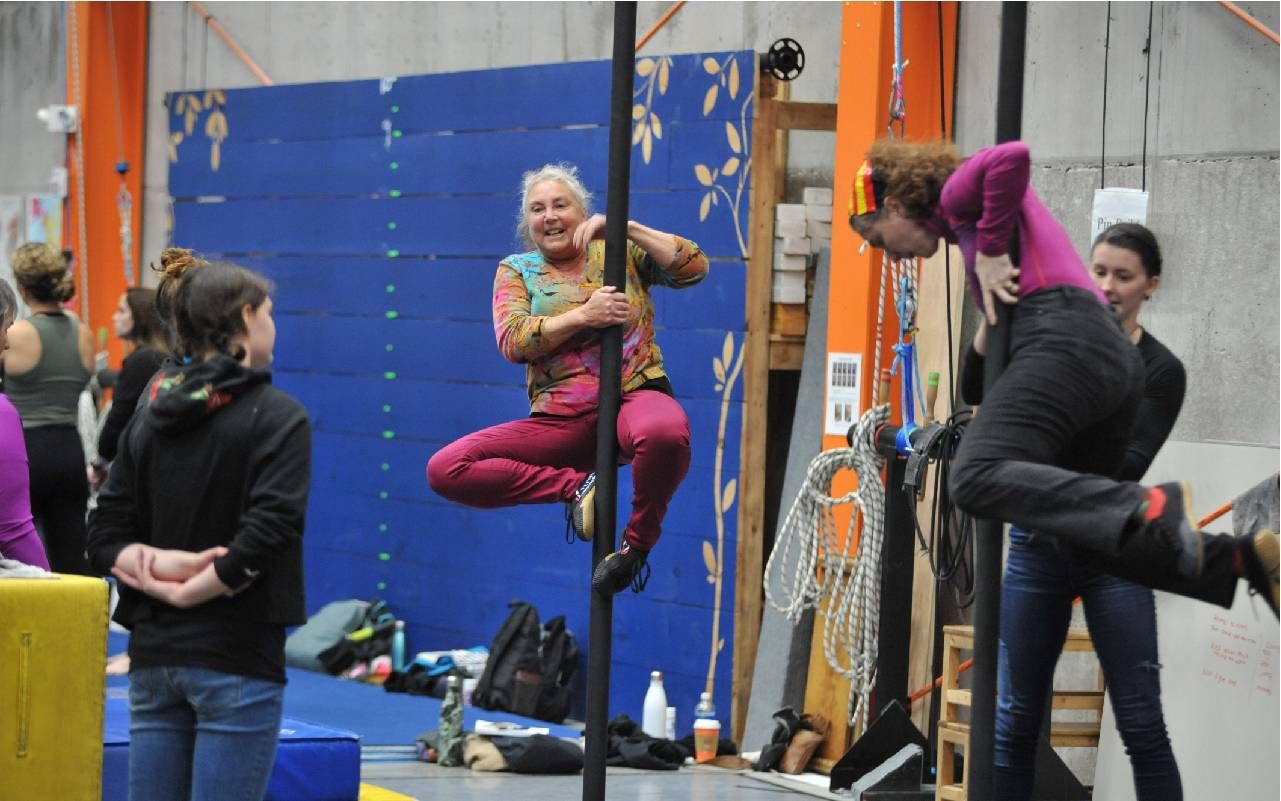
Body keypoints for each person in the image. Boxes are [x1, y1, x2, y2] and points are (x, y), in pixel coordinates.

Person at [846, 139, 1278, 615]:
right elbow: (977, 385)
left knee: (970, 477)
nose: (891, 257)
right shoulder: (969, 226)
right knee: (1082, 536)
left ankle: (1154, 504)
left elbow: (1011, 157)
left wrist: (989, 251)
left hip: (1065, 340)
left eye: (882, 240)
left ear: (894, 205)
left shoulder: (956, 195)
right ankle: (1241, 560)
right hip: (1108, 359)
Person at [962, 224, 1187, 800]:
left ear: (1150, 286)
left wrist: (1028, 452)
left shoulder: (1159, 369)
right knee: (1015, 720)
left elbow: (1124, 466)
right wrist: (993, 318)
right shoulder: (1052, 343)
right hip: (1039, 546)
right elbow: (973, 387)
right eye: (1099, 271)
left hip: (1113, 549)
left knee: (1141, 722)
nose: (1108, 286)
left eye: (1124, 276)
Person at [86, 248, 310, 801]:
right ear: (242, 323)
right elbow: (269, 530)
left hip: (156, 653)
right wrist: (198, 588)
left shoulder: (151, 415)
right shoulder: (279, 416)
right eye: (268, 314)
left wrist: (154, 568)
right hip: (234, 651)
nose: (273, 325)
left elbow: (104, 530)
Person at [427, 163, 709, 596]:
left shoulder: (616, 252)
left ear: (584, 212)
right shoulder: (517, 269)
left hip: (634, 394)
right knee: (447, 468)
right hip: (562, 420)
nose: (550, 216)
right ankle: (578, 488)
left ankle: (636, 547)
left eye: (561, 204)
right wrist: (583, 316)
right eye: (537, 209)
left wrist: (625, 228)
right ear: (528, 224)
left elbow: (694, 267)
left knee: (665, 432)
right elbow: (514, 340)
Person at [3, 242, 93, 574]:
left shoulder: (17, 333)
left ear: (23, 288)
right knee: (71, 554)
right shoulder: (82, 333)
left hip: (26, 451)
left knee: (19, 555)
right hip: (69, 451)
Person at [91, 286, 170, 487]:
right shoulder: (158, 355)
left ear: (140, 316)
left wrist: (100, 462)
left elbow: (120, 416)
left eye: (122, 311)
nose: (114, 317)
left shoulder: (141, 360)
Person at [0, 278, 50, 569]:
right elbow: (13, 530)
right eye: (5, 328)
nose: (6, 342)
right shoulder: (3, 414)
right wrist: (54, 600)